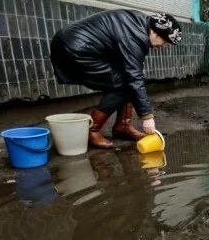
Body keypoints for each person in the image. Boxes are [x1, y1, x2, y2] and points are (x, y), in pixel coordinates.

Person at [50, 10, 182, 148]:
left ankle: (123, 127)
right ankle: (91, 130)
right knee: (123, 82)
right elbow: (134, 77)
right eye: (165, 41)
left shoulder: (140, 24)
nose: (164, 46)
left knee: (126, 79)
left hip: (73, 43)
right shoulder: (136, 36)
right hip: (74, 49)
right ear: (155, 32)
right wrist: (147, 117)